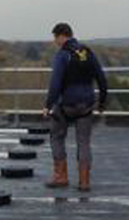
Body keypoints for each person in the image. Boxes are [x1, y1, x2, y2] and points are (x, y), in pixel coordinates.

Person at [42, 22, 108, 191]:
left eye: (55, 38)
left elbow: (55, 83)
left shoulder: (63, 55)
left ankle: (61, 177)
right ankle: (84, 181)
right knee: (84, 142)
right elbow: (101, 78)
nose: (55, 41)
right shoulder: (87, 52)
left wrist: (48, 105)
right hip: (86, 105)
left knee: (56, 136)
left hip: (66, 104)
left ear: (61, 36)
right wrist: (101, 102)